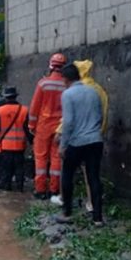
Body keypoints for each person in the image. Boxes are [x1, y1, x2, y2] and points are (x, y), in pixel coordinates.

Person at [49, 59, 109, 209]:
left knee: (67, 174)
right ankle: (95, 213)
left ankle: (66, 209)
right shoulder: (97, 90)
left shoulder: (71, 93)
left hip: (77, 140)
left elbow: (69, 120)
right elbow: (103, 114)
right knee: (93, 176)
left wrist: (61, 138)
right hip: (96, 138)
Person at [28, 53, 67, 199]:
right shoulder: (66, 85)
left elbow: (34, 107)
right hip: (60, 127)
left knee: (40, 158)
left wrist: (31, 125)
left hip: (43, 126)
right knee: (57, 158)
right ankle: (54, 190)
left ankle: (40, 190)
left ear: (50, 66)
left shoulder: (43, 83)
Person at [0, 87, 32, 192]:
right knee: (19, 169)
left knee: (6, 169)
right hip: (20, 146)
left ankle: (7, 188)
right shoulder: (24, 110)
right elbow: (27, 128)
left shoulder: (0, 110)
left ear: (6, 98)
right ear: (16, 96)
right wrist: (32, 142)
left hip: (5, 146)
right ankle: (20, 188)